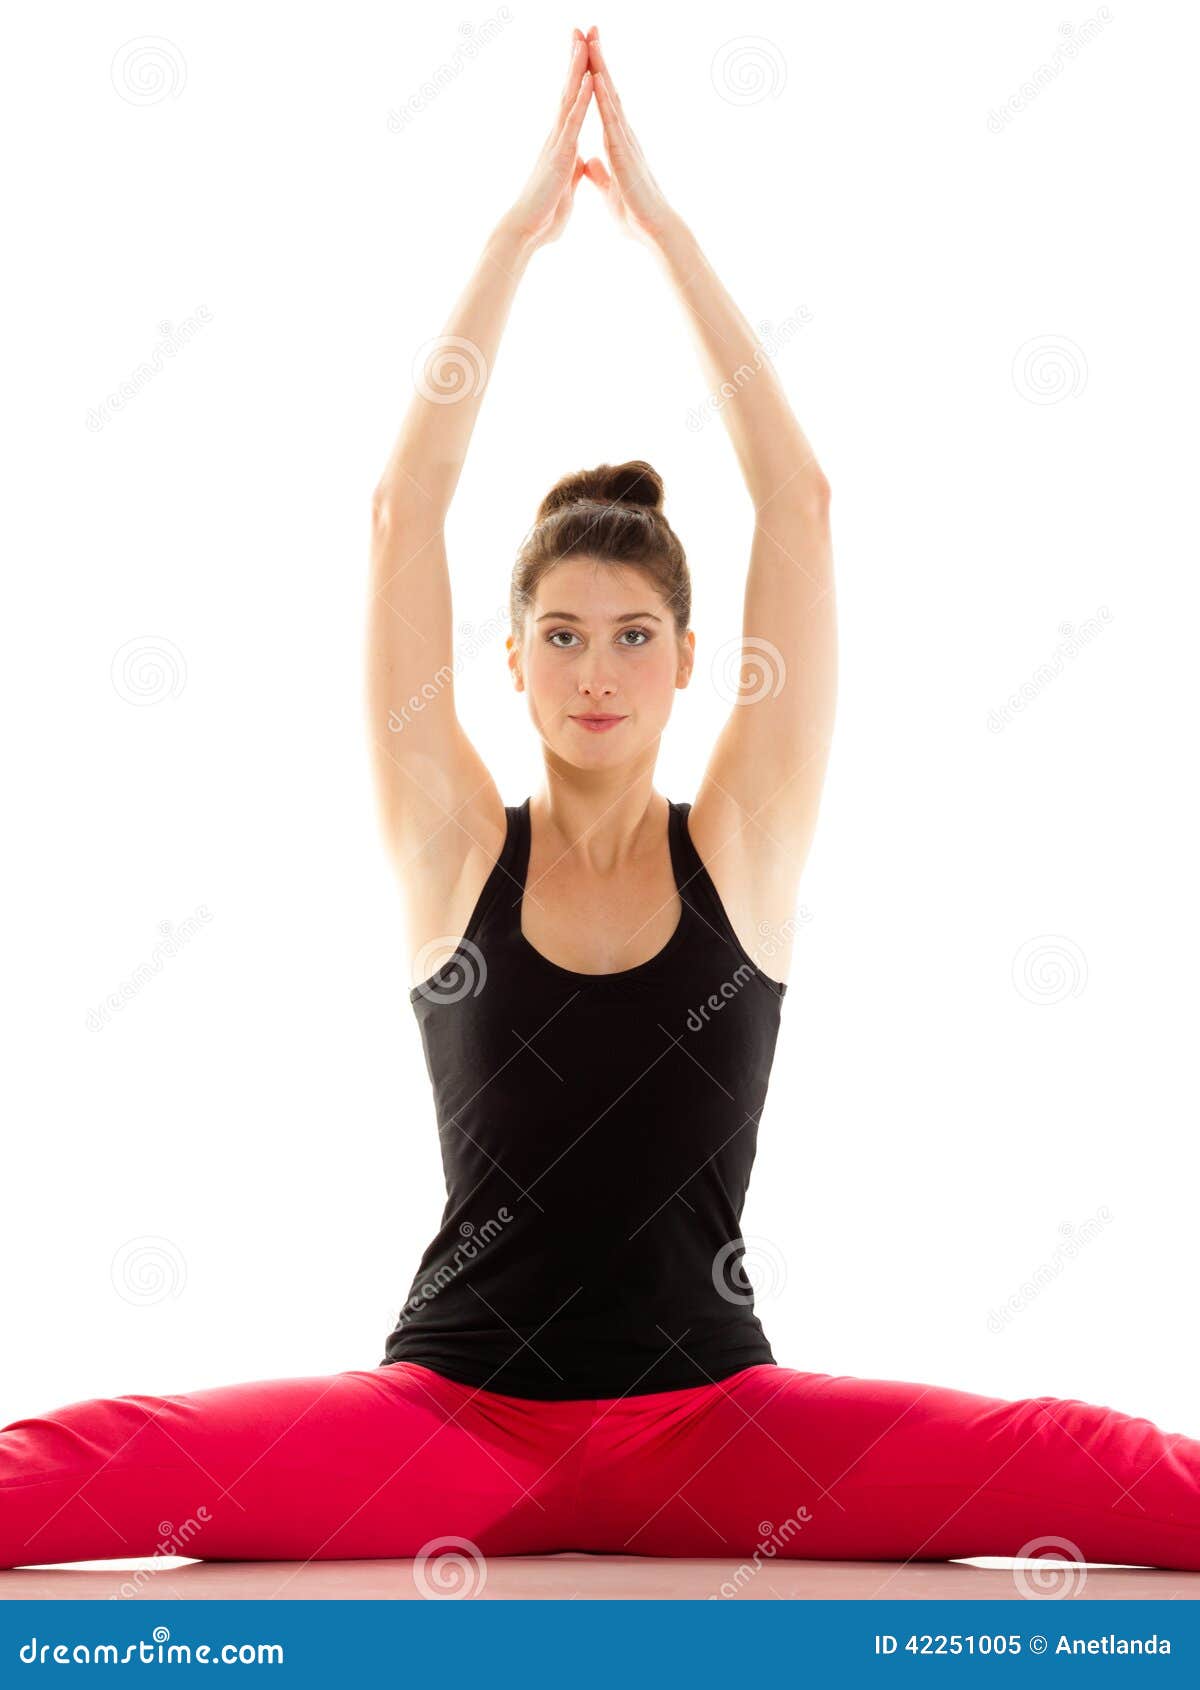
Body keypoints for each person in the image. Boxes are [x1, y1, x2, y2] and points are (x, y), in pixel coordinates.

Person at [3, 27, 1199, 1580]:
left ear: (693, 660)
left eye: (634, 635)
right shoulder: (451, 849)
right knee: (103, 1464)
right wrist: (515, 235)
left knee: (1078, 1469)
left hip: (720, 1426)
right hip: (450, 1415)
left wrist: (663, 234)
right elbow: (403, 511)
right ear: (509, 661)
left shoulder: (743, 852)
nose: (596, 668)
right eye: (560, 634)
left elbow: (801, 505)